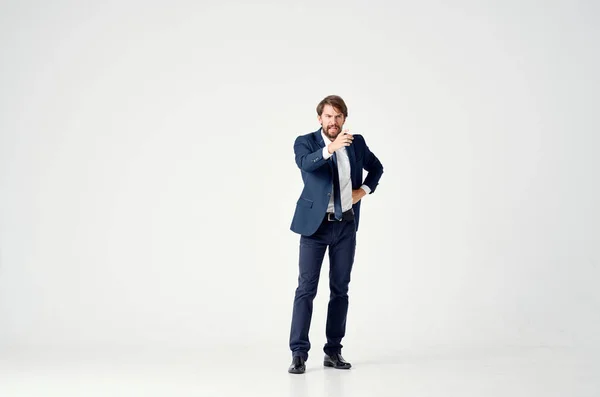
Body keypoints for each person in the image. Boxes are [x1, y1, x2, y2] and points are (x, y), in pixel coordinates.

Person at [288, 95, 384, 374]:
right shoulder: (305, 142)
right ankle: (298, 353)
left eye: (338, 116)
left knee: (340, 290)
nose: (334, 121)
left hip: (345, 226)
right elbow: (306, 164)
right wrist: (330, 148)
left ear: (344, 119)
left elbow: (377, 168)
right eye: (329, 116)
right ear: (320, 119)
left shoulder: (357, 143)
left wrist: (362, 191)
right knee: (306, 289)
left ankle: (333, 351)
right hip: (314, 228)